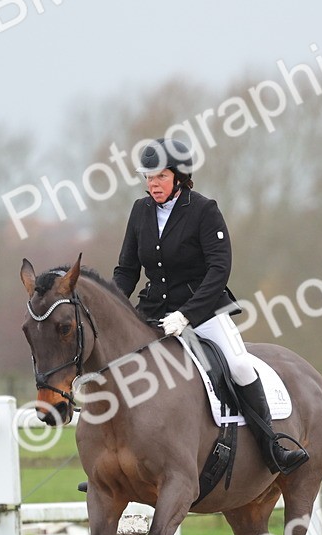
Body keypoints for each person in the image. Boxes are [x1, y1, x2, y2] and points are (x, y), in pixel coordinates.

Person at [113, 138, 308, 474]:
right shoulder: (140, 211)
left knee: (240, 366)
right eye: (147, 177)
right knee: (119, 367)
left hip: (202, 311)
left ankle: (272, 446)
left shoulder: (203, 210)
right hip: (152, 312)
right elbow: (127, 270)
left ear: (179, 176)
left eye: (159, 176)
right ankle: (114, 463)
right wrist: (114, 312)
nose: (152, 184)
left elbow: (219, 269)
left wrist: (187, 314)